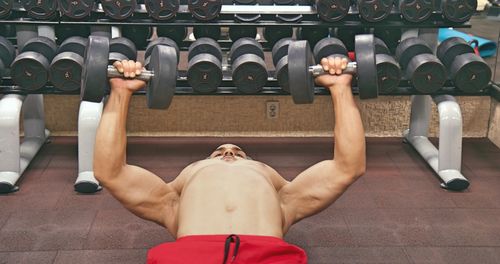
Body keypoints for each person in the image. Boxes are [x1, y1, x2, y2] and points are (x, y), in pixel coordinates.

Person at [94, 56, 366, 264]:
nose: (228, 152)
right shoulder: (169, 202)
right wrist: (120, 92)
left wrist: (340, 88)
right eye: (218, 152)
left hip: (266, 255)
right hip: (191, 256)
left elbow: (348, 166)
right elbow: (110, 172)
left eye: (238, 152)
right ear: (185, 180)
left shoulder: (287, 199)